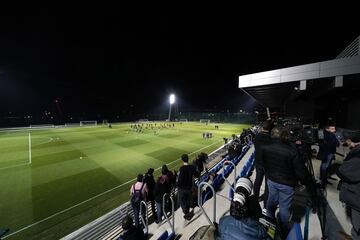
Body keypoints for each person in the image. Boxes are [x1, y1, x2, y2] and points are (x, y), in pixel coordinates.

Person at [261, 127, 309, 238]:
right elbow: (300, 170)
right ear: (283, 136)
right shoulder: (291, 150)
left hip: (272, 181)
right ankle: (284, 231)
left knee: (270, 204)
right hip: (286, 184)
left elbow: (263, 164)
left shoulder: (264, 147)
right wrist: (303, 182)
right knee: (284, 208)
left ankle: (270, 227)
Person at [336, 133, 360, 239]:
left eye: (350, 141)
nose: (348, 144)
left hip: (357, 197)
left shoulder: (358, 154)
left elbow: (343, 171)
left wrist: (350, 155)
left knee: (357, 226)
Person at [253, 120, 273, 207]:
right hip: (268, 164)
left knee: (257, 181)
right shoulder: (271, 138)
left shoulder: (257, 137)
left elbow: (256, 148)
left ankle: (255, 198)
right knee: (267, 184)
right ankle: (265, 204)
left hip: (259, 162)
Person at [176, 154, 198, 220]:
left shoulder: (182, 168)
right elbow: (197, 174)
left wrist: (176, 185)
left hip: (183, 189)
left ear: (182, 160)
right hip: (189, 188)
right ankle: (187, 212)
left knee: (182, 201)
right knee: (187, 201)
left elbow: (180, 180)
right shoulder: (192, 167)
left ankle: (186, 213)